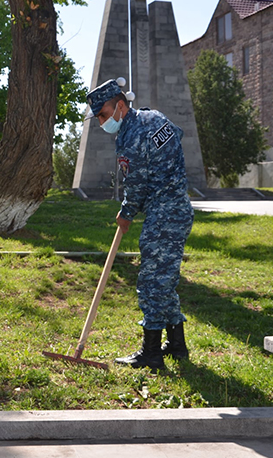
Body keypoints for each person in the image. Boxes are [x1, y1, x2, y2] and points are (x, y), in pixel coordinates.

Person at [86, 79, 194, 370]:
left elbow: (136, 185)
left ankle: (151, 353)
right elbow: (177, 134)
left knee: (151, 282)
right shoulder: (153, 117)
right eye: (98, 118)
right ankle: (177, 344)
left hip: (164, 215)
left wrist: (126, 213)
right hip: (178, 209)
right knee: (164, 281)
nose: (102, 122)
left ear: (120, 106)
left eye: (104, 115)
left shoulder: (131, 136)